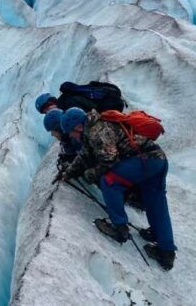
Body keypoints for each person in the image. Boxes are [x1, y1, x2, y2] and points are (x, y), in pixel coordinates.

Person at [59, 107, 177, 270]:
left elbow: (109, 160)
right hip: (158, 160)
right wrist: (68, 173)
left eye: (70, 132)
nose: (71, 136)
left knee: (109, 181)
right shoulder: (94, 128)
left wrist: (90, 174)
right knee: (155, 202)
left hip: (144, 161)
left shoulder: (97, 131)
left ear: (78, 127)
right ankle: (166, 251)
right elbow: (85, 155)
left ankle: (119, 228)